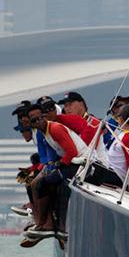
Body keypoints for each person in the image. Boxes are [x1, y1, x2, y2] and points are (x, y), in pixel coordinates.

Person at [21, 103, 88, 245]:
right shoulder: (43, 133)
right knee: (35, 183)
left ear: (44, 116)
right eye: (33, 120)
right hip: (71, 163)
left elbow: (72, 152)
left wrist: (58, 165)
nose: (38, 121)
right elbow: (48, 155)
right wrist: (50, 166)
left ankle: (51, 226)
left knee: (45, 182)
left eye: (40, 117)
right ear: (31, 124)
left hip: (82, 163)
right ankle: (42, 223)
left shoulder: (55, 128)